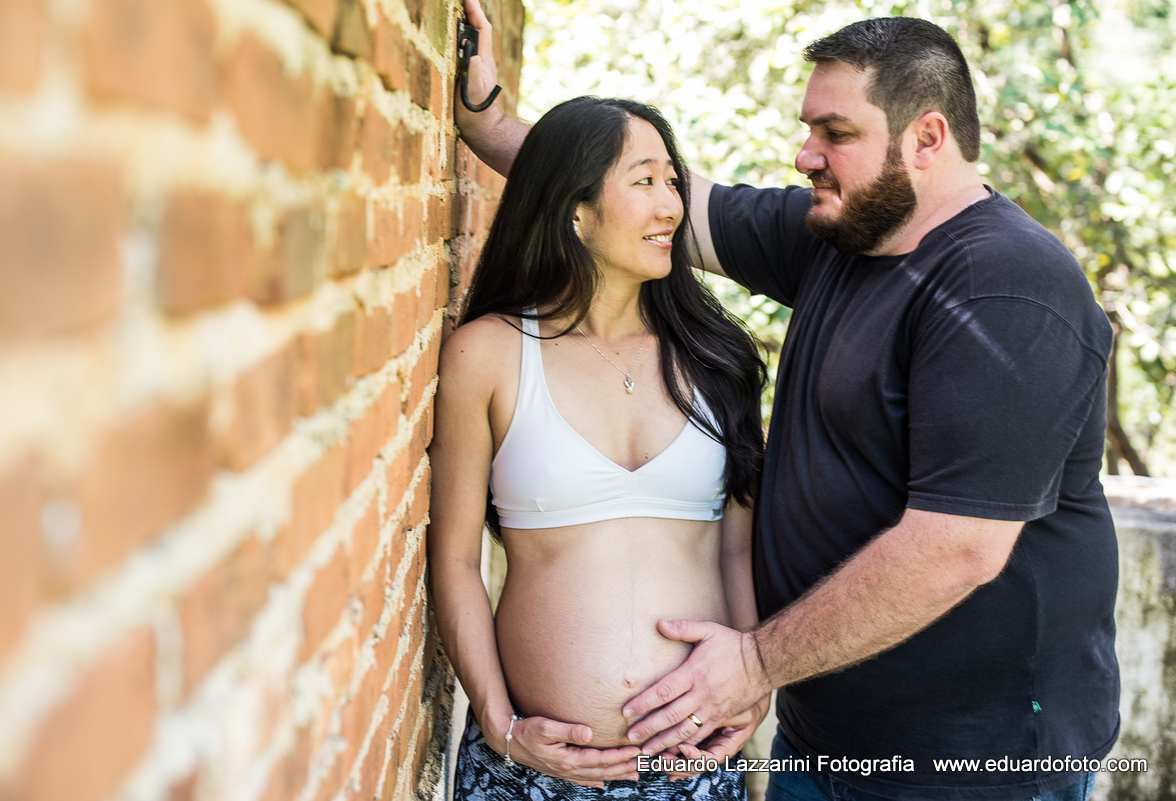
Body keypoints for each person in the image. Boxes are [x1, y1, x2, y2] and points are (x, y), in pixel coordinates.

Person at [455, 6, 1120, 801]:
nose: (806, 154)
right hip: (823, 742)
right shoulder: (837, 235)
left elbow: (959, 546)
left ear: (927, 138)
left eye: (836, 133)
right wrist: (488, 121)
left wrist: (755, 662)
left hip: (970, 766)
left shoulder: (1004, 284)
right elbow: (612, 193)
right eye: (810, 129)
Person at [428, 94, 771, 800]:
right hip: (530, 773)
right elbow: (456, 559)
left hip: (694, 769)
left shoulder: (717, 359)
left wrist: (752, 680)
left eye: (673, 181)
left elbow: (735, 550)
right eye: (645, 181)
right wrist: (498, 722)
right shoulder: (488, 354)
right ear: (575, 212)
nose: (671, 206)